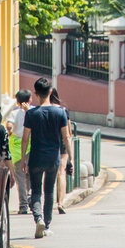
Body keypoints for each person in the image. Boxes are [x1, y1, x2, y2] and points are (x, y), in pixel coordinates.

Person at [20, 77, 73, 238]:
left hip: (36, 157)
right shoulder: (61, 112)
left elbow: (25, 138)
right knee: (49, 191)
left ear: (35, 94)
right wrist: (71, 157)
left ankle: (38, 219)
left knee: (36, 190)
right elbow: (66, 137)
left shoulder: (31, 113)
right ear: (51, 91)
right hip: (53, 158)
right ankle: (47, 225)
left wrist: (23, 158)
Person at [7, 89, 32, 214]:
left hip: (17, 149)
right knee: (31, 175)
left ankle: (23, 205)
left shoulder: (14, 113)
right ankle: (32, 198)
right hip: (32, 146)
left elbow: (9, 126)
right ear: (30, 99)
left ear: (17, 101)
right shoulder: (32, 111)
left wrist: (10, 131)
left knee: (20, 178)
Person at [50, 87, 71, 215]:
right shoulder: (63, 111)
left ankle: (47, 202)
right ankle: (61, 203)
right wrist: (72, 156)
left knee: (48, 173)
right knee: (61, 173)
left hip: (48, 143)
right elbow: (68, 133)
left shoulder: (41, 110)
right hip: (62, 143)